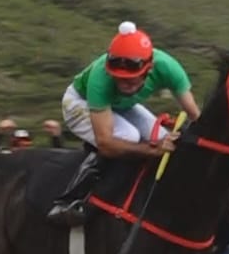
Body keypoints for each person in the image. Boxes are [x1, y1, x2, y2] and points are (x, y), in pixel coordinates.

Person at [48, 22, 201, 226]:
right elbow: (106, 142)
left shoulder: (168, 67)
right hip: (80, 102)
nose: (123, 85)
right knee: (129, 136)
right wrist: (149, 149)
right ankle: (73, 200)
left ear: (149, 69)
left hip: (120, 105)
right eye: (118, 79)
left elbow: (195, 115)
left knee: (163, 139)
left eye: (130, 80)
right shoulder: (100, 77)